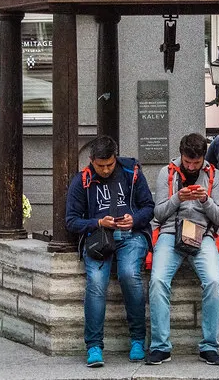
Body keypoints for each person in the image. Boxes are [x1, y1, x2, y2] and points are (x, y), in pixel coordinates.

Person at [65, 136, 155, 368]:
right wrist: (97, 223)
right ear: (91, 160)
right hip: (98, 239)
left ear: (116, 158)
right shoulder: (81, 180)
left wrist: (133, 220)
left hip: (131, 236)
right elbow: (71, 221)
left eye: (109, 165)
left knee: (129, 275)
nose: (105, 170)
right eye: (100, 165)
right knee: (95, 282)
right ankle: (94, 345)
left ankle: (137, 340)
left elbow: (149, 207)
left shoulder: (131, 171)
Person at [147, 133, 219, 366]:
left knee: (213, 282)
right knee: (158, 280)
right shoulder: (167, 173)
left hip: (202, 235)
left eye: (196, 163)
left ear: (203, 158)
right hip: (170, 233)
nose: (191, 167)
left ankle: (209, 345)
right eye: (187, 162)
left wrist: (205, 201)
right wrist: (177, 198)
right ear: (181, 154)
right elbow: (158, 214)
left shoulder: (214, 175)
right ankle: (161, 346)